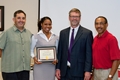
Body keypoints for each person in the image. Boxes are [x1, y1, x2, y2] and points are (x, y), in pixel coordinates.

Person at [56, 8, 93, 80]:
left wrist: (88, 70)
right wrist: (58, 68)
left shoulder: (87, 33)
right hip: (64, 72)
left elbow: (89, 54)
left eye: (77, 16)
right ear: (69, 18)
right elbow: (60, 52)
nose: (74, 18)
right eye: (72, 16)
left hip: (79, 72)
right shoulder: (63, 33)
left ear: (80, 18)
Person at [0, 10, 32, 80]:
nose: (21, 20)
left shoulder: (29, 33)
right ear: (13, 19)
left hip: (24, 70)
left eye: (23, 18)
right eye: (19, 18)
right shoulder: (7, 33)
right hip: (10, 71)